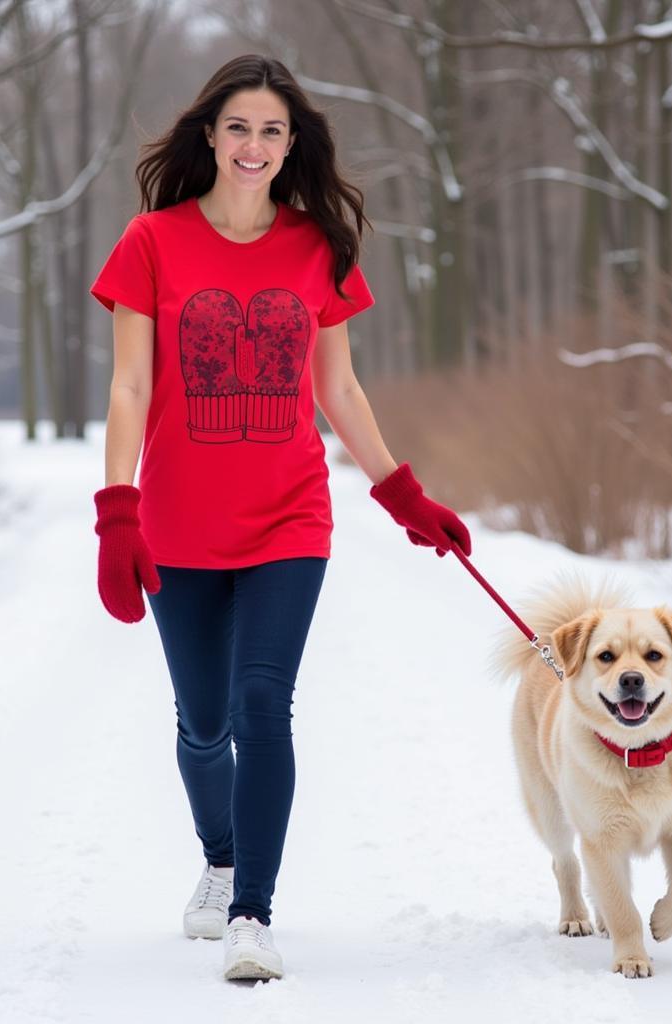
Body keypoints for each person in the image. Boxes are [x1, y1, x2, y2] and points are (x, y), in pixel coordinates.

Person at [89, 54, 471, 982]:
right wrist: (117, 512)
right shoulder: (151, 242)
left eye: (272, 131)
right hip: (179, 519)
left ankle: (254, 913)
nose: (254, 145)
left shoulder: (317, 246)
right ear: (210, 137)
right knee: (203, 721)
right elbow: (131, 383)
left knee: (266, 704)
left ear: (290, 144)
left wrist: (400, 491)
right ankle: (219, 861)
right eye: (239, 128)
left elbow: (337, 386)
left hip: (289, 518)